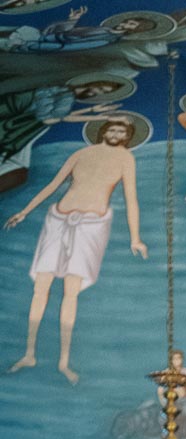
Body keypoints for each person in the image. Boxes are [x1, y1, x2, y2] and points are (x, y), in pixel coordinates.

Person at [5, 116, 147, 384]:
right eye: (112, 128)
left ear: (127, 136)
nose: (116, 132)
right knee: (41, 286)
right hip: (58, 219)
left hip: (91, 227)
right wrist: (24, 212)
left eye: (121, 130)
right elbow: (53, 184)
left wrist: (135, 238)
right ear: (103, 131)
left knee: (71, 292)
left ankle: (64, 362)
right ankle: (29, 353)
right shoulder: (82, 153)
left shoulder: (126, 159)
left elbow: (132, 199)